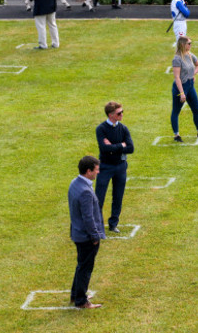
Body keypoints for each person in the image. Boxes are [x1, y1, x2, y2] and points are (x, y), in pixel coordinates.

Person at [69, 156, 105, 309]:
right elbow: (88, 218)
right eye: (96, 170)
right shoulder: (85, 191)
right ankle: (81, 300)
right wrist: (95, 236)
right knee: (85, 268)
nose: (98, 172)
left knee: (81, 265)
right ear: (88, 171)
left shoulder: (75, 183)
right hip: (86, 237)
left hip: (77, 233)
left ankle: (76, 294)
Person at [95, 101, 134, 233]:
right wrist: (121, 145)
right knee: (99, 197)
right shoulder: (101, 129)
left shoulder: (123, 128)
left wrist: (113, 147)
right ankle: (97, 225)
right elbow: (104, 149)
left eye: (122, 112)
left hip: (120, 167)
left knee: (118, 197)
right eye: (119, 113)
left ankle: (113, 224)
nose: (122, 114)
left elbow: (131, 148)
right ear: (111, 115)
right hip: (105, 167)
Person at [171, 36, 198, 142]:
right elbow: (177, 77)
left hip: (190, 86)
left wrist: (192, 74)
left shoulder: (189, 55)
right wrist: (182, 93)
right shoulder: (177, 58)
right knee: (176, 111)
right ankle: (176, 135)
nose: (190, 45)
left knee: (196, 109)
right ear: (183, 45)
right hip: (181, 87)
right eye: (189, 43)